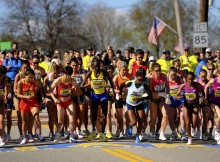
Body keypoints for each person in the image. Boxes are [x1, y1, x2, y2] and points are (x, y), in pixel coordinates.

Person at [81, 57, 114, 141]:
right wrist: (87, 93)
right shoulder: (90, 73)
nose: (97, 68)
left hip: (103, 96)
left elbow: (111, 82)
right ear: (92, 66)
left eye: (98, 66)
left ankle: (102, 133)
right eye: (95, 66)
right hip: (94, 96)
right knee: (94, 115)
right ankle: (93, 131)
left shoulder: (104, 73)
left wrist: (111, 90)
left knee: (104, 115)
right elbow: (82, 84)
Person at [119, 68, 152, 143]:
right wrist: (120, 95)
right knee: (133, 121)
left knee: (141, 120)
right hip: (130, 103)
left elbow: (150, 95)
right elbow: (121, 85)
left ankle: (137, 135)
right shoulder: (130, 83)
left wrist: (143, 97)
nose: (140, 81)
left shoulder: (145, 85)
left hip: (139, 103)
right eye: (139, 80)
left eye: (142, 80)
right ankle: (129, 127)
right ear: (136, 77)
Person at [50, 66, 81, 143]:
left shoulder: (72, 81)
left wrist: (78, 99)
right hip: (60, 103)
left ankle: (71, 135)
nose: (67, 77)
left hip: (69, 101)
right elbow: (49, 90)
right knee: (60, 121)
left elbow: (77, 88)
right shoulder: (59, 80)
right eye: (66, 74)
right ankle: (57, 134)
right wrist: (54, 99)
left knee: (71, 119)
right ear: (63, 73)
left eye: (69, 75)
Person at [16, 68, 44, 145]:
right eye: (29, 77)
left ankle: (39, 134)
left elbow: (41, 85)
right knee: (24, 121)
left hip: (33, 103)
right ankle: (24, 137)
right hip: (24, 103)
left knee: (36, 117)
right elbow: (18, 94)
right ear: (25, 76)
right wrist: (26, 97)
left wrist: (38, 76)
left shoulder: (34, 82)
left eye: (32, 77)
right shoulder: (20, 83)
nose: (30, 79)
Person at [176, 72, 203, 145]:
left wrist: (201, 99)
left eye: (192, 79)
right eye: (189, 79)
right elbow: (177, 95)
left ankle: (193, 129)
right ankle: (189, 138)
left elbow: (202, 94)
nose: (190, 81)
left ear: (194, 79)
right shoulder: (183, 86)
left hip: (195, 105)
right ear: (186, 79)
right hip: (186, 105)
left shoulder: (197, 85)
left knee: (194, 123)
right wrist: (179, 97)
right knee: (187, 122)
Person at [148, 63, 171, 141]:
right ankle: (151, 132)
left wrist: (167, 95)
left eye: (159, 70)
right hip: (153, 99)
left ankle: (161, 133)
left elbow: (167, 87)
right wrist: (161, 94)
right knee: (153, 117)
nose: (158, 72)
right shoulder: (151, 79)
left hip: (162, 99)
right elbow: (151, 92)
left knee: (165, 115)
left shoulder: (163, 76)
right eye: (156, 71)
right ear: (153, 71)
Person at [3, 49, 22, 141]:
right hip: (6, 81)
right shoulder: (5, 60)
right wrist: (9, 67)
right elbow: (3, 68)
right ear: (8, 54)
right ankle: (7, 134)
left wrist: (10, 67)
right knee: (8, 113)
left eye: (13, 53)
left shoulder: (18, 60)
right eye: (10, 53)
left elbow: (19, 67)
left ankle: (21, 133)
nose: (12, 54)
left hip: (16, 81)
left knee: (18, 110)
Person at [113, 61, 133, 138]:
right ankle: (121, 130)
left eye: (126, 70)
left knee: (127, 114)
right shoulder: (116, 77)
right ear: (119, 70)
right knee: (119, 116)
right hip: (119, 98)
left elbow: (135, 85)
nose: (125, 72)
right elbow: (113, 89)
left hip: (128, 98)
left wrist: (129, 90)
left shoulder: (130, 76)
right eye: (123, 70)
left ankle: (127, 129)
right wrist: (120, 91)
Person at [13, 60, 30, 142]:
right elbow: (14, 89)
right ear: (21, 68)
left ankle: (26, 133)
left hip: (26, 97)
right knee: (19, 115)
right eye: (24, 68)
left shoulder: (29, 76)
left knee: (26, 117)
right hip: (18, 97)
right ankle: (21, 134)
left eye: (27, 68)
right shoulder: (18, 76)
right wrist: (20, 93)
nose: (25, 70)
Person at [167, 67, 185, 141]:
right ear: (169, 74)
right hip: (171, 100)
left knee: (182, 115)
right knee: (171, 118)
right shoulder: (166, 80)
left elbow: (184, 86)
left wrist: (181, 93)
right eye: (172, 75)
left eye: (175, 75)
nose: (173, 77)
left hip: (179, 100)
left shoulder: (179, 79)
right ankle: (174, 133)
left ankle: (183, 133)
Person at [70, 58, 85, 138]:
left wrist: (81, 86)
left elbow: (88, 83)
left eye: (76, 65)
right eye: (73, 65)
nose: (74, 67)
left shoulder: (81, 75)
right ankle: (75, 130)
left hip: (81, 96)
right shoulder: (68, 76)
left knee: (81, 114)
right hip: (72, 97)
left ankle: (79, 129)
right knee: (74, 115)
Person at [43, 63, 59, 140]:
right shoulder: (46, 78)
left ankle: (57, 131)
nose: (55, 75)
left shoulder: (59, 78)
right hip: (49, 97)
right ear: (50, 72)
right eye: (53, 73)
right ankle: (51, 132)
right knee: (51, 117)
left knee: (56, 117)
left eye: (56, 73)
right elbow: (45, 90)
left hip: (57, 98)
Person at [204, 67, 220, 145]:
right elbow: (206, 86)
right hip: (213, 102)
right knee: (219, 115)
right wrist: (206, 97)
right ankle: (217, 132)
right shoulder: (214, 80)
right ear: (218, 73)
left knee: (218, 117)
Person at [0, 65, 12, 146]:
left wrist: (7, 94)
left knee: (1, 120)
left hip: (1, 102)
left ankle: (1, 138)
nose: (2, 76)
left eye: (3, 75)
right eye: (0, 75)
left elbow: (7, 88)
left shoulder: (6, 79)